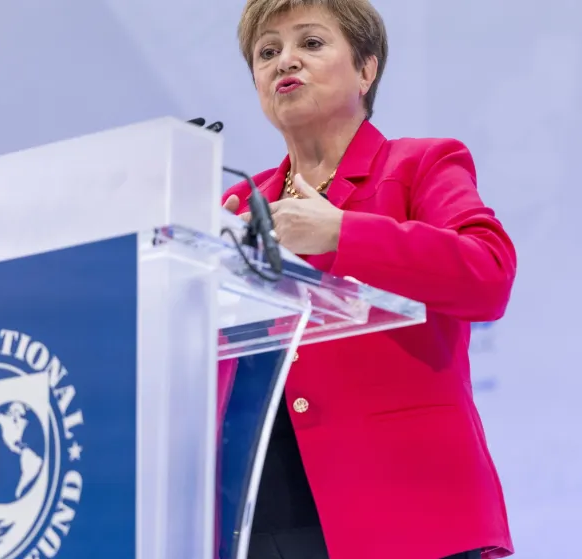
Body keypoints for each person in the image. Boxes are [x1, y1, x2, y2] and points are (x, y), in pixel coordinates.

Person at [222, 1, 517, 557]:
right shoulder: (235, 205)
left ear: (366, 69)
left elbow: (489, 272)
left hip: (406, 503)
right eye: (267, 52)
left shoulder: (420, 166)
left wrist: (342, 232)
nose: (285, 61)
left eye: (311, 43)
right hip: (256, 514)